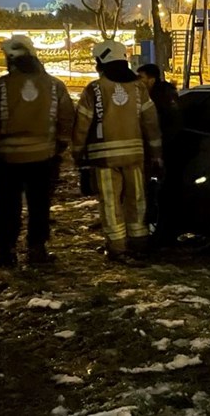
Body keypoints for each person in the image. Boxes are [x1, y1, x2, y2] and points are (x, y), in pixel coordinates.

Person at [0, 35, 75, 267]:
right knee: (39, 206)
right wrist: (60, 144)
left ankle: (6, 252)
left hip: (7, 160)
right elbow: (66, 117)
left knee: (7, 207)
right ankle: (37, 249)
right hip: (44, 157)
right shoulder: (54, 85)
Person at [73, 41, 162, 261]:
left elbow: (82, 123)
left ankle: (117, 246)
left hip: (103, 158)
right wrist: (156, 154)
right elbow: (151, 123)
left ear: (101, 62)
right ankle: (139, 242)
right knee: (137, 199)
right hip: (135, 156)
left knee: (110, 203)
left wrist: (78, 153)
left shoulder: (94, 89)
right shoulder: (139, 88)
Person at [135, 63, 182, 243]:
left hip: (166, 151)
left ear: (151, 79)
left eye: (141, 77)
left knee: (161, 193)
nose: (138, 81)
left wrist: (159, 151)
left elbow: (166, 125)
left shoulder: (159, 97)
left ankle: (161, 233)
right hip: (161, 151)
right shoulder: (158, 94)